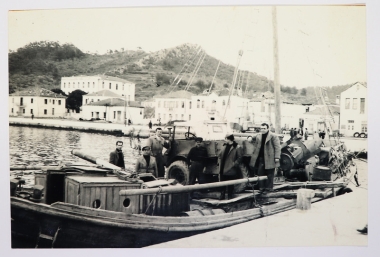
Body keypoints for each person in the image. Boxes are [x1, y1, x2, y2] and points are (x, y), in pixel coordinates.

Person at [249, 123, 281, 193]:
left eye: (264, 128)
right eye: (261, 128)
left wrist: (277, 157)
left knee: (270, 174)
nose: (262, 130)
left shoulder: (273, 136)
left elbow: (277, 147)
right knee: (260, 173)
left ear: (268, 129)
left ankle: (269, 188)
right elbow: (254, 136)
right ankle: (261, 188)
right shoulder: (259, 135)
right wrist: (250, 137)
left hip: (270, 158)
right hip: (261, 158)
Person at [218, 134, 242, 200]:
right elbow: (219, 155)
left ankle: (230, 196)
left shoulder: (237, 147)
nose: (225, 140)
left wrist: (234, 164)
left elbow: (240, 157)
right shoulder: (224, 146)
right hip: (222, 167)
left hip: (231, 168)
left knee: (230, 183)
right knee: (222, 182)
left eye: (226, 139)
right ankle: (222, 195)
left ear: (229, 139)